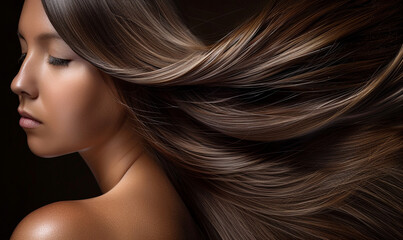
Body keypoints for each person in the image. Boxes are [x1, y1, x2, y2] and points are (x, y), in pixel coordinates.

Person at [10, 0, 402, 239]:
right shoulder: (185, 219)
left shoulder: (59, 232)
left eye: (58, 58)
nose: (19, 82)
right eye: (22, 52)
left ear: (125, 69)